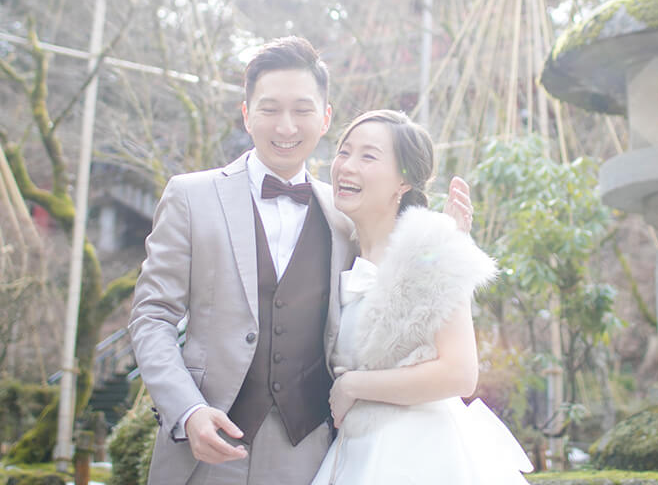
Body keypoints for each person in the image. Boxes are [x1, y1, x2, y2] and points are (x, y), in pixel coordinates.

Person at [128, 37, 472, 485]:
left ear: (325, 117)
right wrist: (187, 410)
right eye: (270, 109)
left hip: (308, 452)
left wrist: (445, 243)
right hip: (204, 447)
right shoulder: (190, 196)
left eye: (302, 110)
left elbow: (404, 288)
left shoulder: (346, 215)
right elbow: (152, 316)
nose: (286, 126)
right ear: (247, 113)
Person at [309, 109, 532, 485]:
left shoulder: (430, 247)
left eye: (368, 156)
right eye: (344, 152)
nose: (346, 166)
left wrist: (353, 386)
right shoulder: (336, 252)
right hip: (354, 453)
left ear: (404, 182)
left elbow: (460, 373)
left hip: (419, 455)